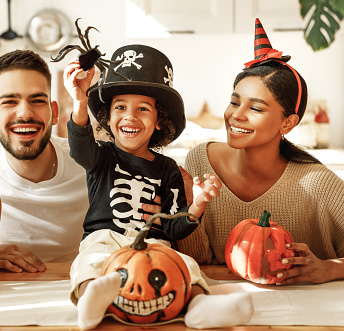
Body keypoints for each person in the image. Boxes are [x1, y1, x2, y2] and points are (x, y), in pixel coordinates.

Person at [63, 44, 253, 329]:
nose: (130, 116)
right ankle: (91, 299)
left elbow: (175, 227)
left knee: (186, 265)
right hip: (104, 239)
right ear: (108, 116)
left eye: (142, 109)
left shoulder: (168, 169)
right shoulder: (100, 155)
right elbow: (79, 148)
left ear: (159, 121)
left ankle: (200, 304)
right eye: (120, 107)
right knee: (87, 262)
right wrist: (79, 103)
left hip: (153, 243)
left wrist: (198, 203)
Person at [177, 18, 344, 285]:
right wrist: (188, 208)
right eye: (234, 102)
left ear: (287, 123)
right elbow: (199, 261)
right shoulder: (200, 159)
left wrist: (330, 268)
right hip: (228, 305)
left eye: (255, 108)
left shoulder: (316, 182)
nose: (236, 116)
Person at [0, 49, 163, 274]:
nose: (25, 113)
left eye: (37, 100)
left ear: (54, 112)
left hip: (75, 285)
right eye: (10, 101)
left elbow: (152, 197)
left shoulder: (93, 161)